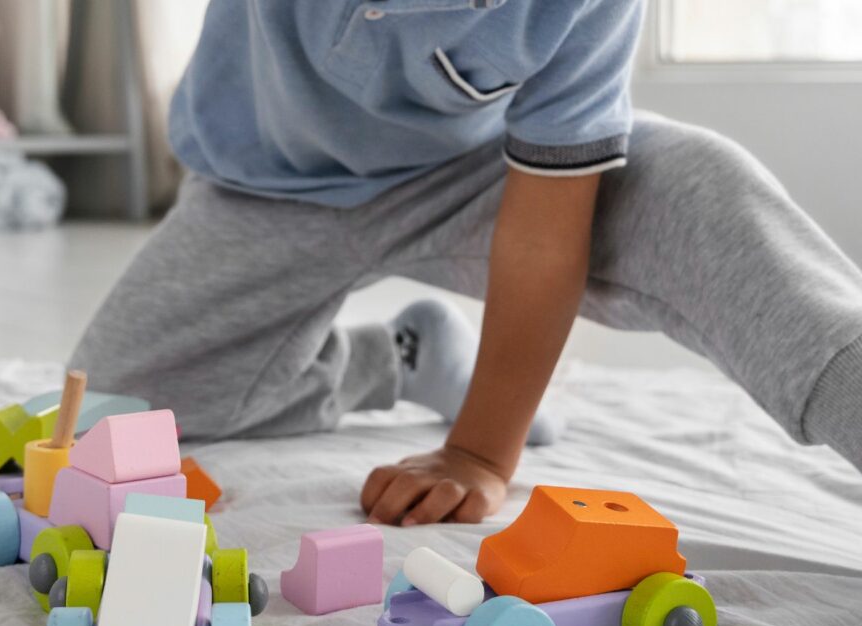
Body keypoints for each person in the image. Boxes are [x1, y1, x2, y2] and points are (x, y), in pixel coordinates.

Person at [70, 0, 862, 525]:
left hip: (491, 175)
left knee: (704, 192)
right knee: (121, 405)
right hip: (270, 187)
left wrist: (482, 450)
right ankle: (396, 360)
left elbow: (546, 232)